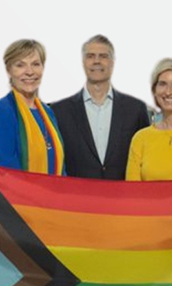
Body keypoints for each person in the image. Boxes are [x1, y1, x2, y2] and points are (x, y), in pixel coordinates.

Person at [49, 34, 149, 180]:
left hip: (122, 198)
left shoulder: (136, 109)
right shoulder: (59, 112)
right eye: (90, 56)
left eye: (103, 56)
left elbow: (144, 160)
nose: (97, 61)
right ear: (83, 62)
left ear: (112, 62)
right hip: (76, 198)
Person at [0, 39, 65, 175]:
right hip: (21, 195)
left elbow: (61, 168)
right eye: (20, 65)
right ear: (9, 70)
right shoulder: (2, 111)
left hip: (54, 194)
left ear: (43, 68)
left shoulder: (48, 112)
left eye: (36, 64)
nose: (29, 72)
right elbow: (4, 172)